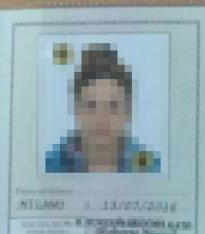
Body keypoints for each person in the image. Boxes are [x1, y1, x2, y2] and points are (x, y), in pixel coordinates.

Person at [46, 43, 161, 173]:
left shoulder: (150, 168)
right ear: (77, 110)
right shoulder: (51, 166)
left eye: (113, 106)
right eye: (91, 106)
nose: (101, 119)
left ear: (128, 111)